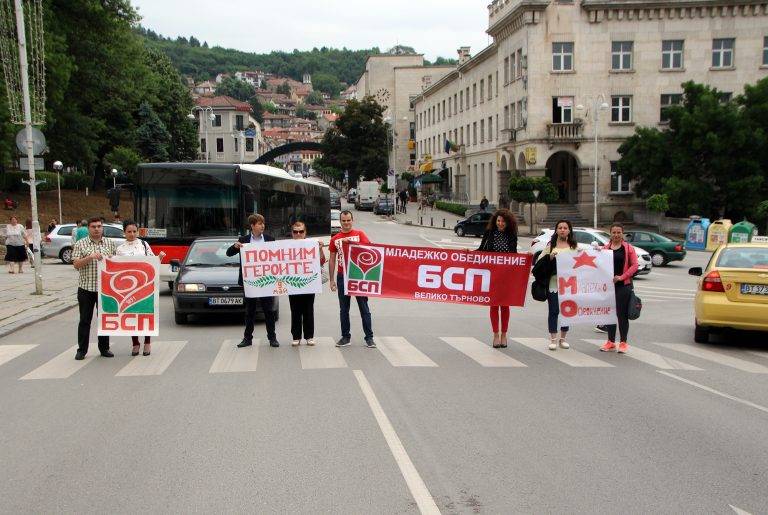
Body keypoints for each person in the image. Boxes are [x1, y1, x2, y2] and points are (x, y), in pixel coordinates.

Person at [226, 213, 279, 348]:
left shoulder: (269, 239)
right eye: (259, 223)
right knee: (250, 311)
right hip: (250, 282)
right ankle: (247, 338)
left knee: (269, 310)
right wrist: (235, 246)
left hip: (267, 280)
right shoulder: (243, 240)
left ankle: (272, 338)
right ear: (252, 226)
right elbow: (229, 253)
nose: (262, 226)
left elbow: (277, 257)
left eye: (263, 223)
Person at [115, 220, 166, 356]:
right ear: (124, 232)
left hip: (145, 285)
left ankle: (147, 342)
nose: (132, 234)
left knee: (145, 313)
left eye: (134, 231)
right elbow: (117, 268)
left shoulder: (144, 244)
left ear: (137, 232)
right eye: (129, 231)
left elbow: (152, 262)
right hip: (128, 288)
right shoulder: (120, 249)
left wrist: (159, 257)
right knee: (131, 315)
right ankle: (135, 343)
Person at [72, 217, 117, 360]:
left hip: (105, 289)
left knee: (104, 319)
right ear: (88, 228)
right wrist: (90, 257)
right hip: (86, 288)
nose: (97, 229)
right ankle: (82, 350)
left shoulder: (110, 243)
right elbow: (76, 265)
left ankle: (104, 348)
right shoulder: (80, 244)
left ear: (103, 228)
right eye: (93, 227)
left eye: (99, 226)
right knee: (85, 320)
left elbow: (117, 264)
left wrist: (111, 259)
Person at [329, 210, 375, 348]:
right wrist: (332, 280)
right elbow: (332, 259)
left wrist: (353, 244)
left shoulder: (359, 234)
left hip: (359, 276)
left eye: (348, 220)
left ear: (352, 220)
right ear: (340, 222)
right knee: (344, 309)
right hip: (342, 276)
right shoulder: (335, 239)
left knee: (364, 307)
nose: (346, 223)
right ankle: (345, 337)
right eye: (344, 221)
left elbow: (370, 250)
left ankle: (369, 337)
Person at [477, 209, 518, 348]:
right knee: (494, 305)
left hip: (506, 275)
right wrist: (468, 253)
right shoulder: (489, 233)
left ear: (508, 223)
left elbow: (514, 255)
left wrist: (526, 257)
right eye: (498, 221)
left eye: (503, 221)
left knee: (505, 305)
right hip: (491, 275)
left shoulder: (511, 235)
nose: (500, 223)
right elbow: (481, 250)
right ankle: (495, 335)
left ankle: (504, 335)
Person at [536, 219, 578, 351]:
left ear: (569, 230)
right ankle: (553, 339)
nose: (562, 230)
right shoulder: (551, 245)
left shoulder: (574, 247)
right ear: (556, 230)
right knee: (553, 311)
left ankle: (563, 338)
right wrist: (550, 257)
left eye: (565, 228)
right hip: (553, 284)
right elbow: (539, 261)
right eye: (560, 228)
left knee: (567, 312)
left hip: (569, 286)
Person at [600, 223, 639, 354]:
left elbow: (634, 265)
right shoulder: (605, 248)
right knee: (609, 315)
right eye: (614, 232)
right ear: (610, 234)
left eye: (619, 232)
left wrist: (622, 277)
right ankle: (610, 342)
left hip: (623, 286)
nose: (616, 235)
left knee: (621, 315)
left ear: (622, 234)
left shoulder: (628, 248)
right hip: (608, 288)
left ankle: (623, 342)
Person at [288, 221, 326, 346]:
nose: (298, 234)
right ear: (292, 233)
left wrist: (320, 249)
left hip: (309, 283)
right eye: (295, 231)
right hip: (293, 284)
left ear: (305, 233)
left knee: (308, 310)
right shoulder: (286, 246)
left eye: (301, 231)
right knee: (295, 310)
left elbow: (321, 261)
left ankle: (309, 336)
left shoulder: (312, 244)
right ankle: (296, 336)